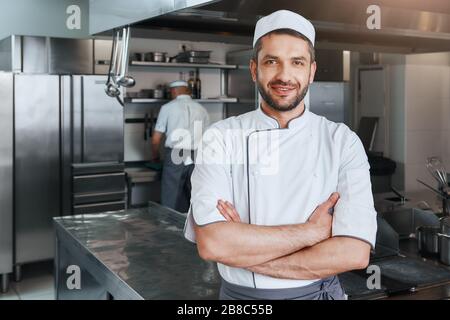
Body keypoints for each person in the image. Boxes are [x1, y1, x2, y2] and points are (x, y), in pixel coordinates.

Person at [183, 10, 377, 300]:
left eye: (297, 62)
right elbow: (213, 245)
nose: (284, 76)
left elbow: (354, 253)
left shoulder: (342, 141)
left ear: (311, 71)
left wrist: (243, 249)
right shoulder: (220, 137)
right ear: (254, 70)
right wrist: (311, 233)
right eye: (271, 61)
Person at [152, 80, 209, 213]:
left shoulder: (167, 108)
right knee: (195, 192)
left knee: (170, 192)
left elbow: (156, 139)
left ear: (174, 91)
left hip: (175, 154)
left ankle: (167, 225)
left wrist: (154, 155)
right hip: (196, 154)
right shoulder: (201, 109)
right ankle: (194, 226)